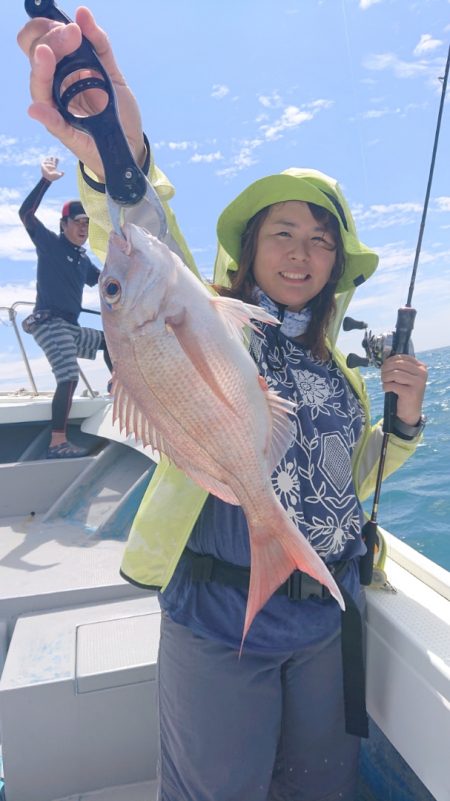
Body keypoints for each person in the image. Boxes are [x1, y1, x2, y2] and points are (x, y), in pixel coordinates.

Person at [18, 9, 428, 801]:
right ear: (248, 248)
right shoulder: (210, 317)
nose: (302, 252)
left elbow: (347, 478)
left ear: (337, 263)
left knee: (321, 789)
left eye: (321, 239)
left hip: (324, 613)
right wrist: (113, 152)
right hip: (218, 614)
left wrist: (402, 424)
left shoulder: (339, 371)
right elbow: (139, 226)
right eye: (283, 233)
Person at [18, 156, 112, 459]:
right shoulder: (51, 244)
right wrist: (45, 180)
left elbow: (107, 283)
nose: (84, 227)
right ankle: (57, 442)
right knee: (69, 375)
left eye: (87, 223)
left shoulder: (83, 260)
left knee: (111, 342)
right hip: (48, 323)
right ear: (64, 225)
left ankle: (120, 390)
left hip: (71, 328)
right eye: (78, 222)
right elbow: (25, 214)